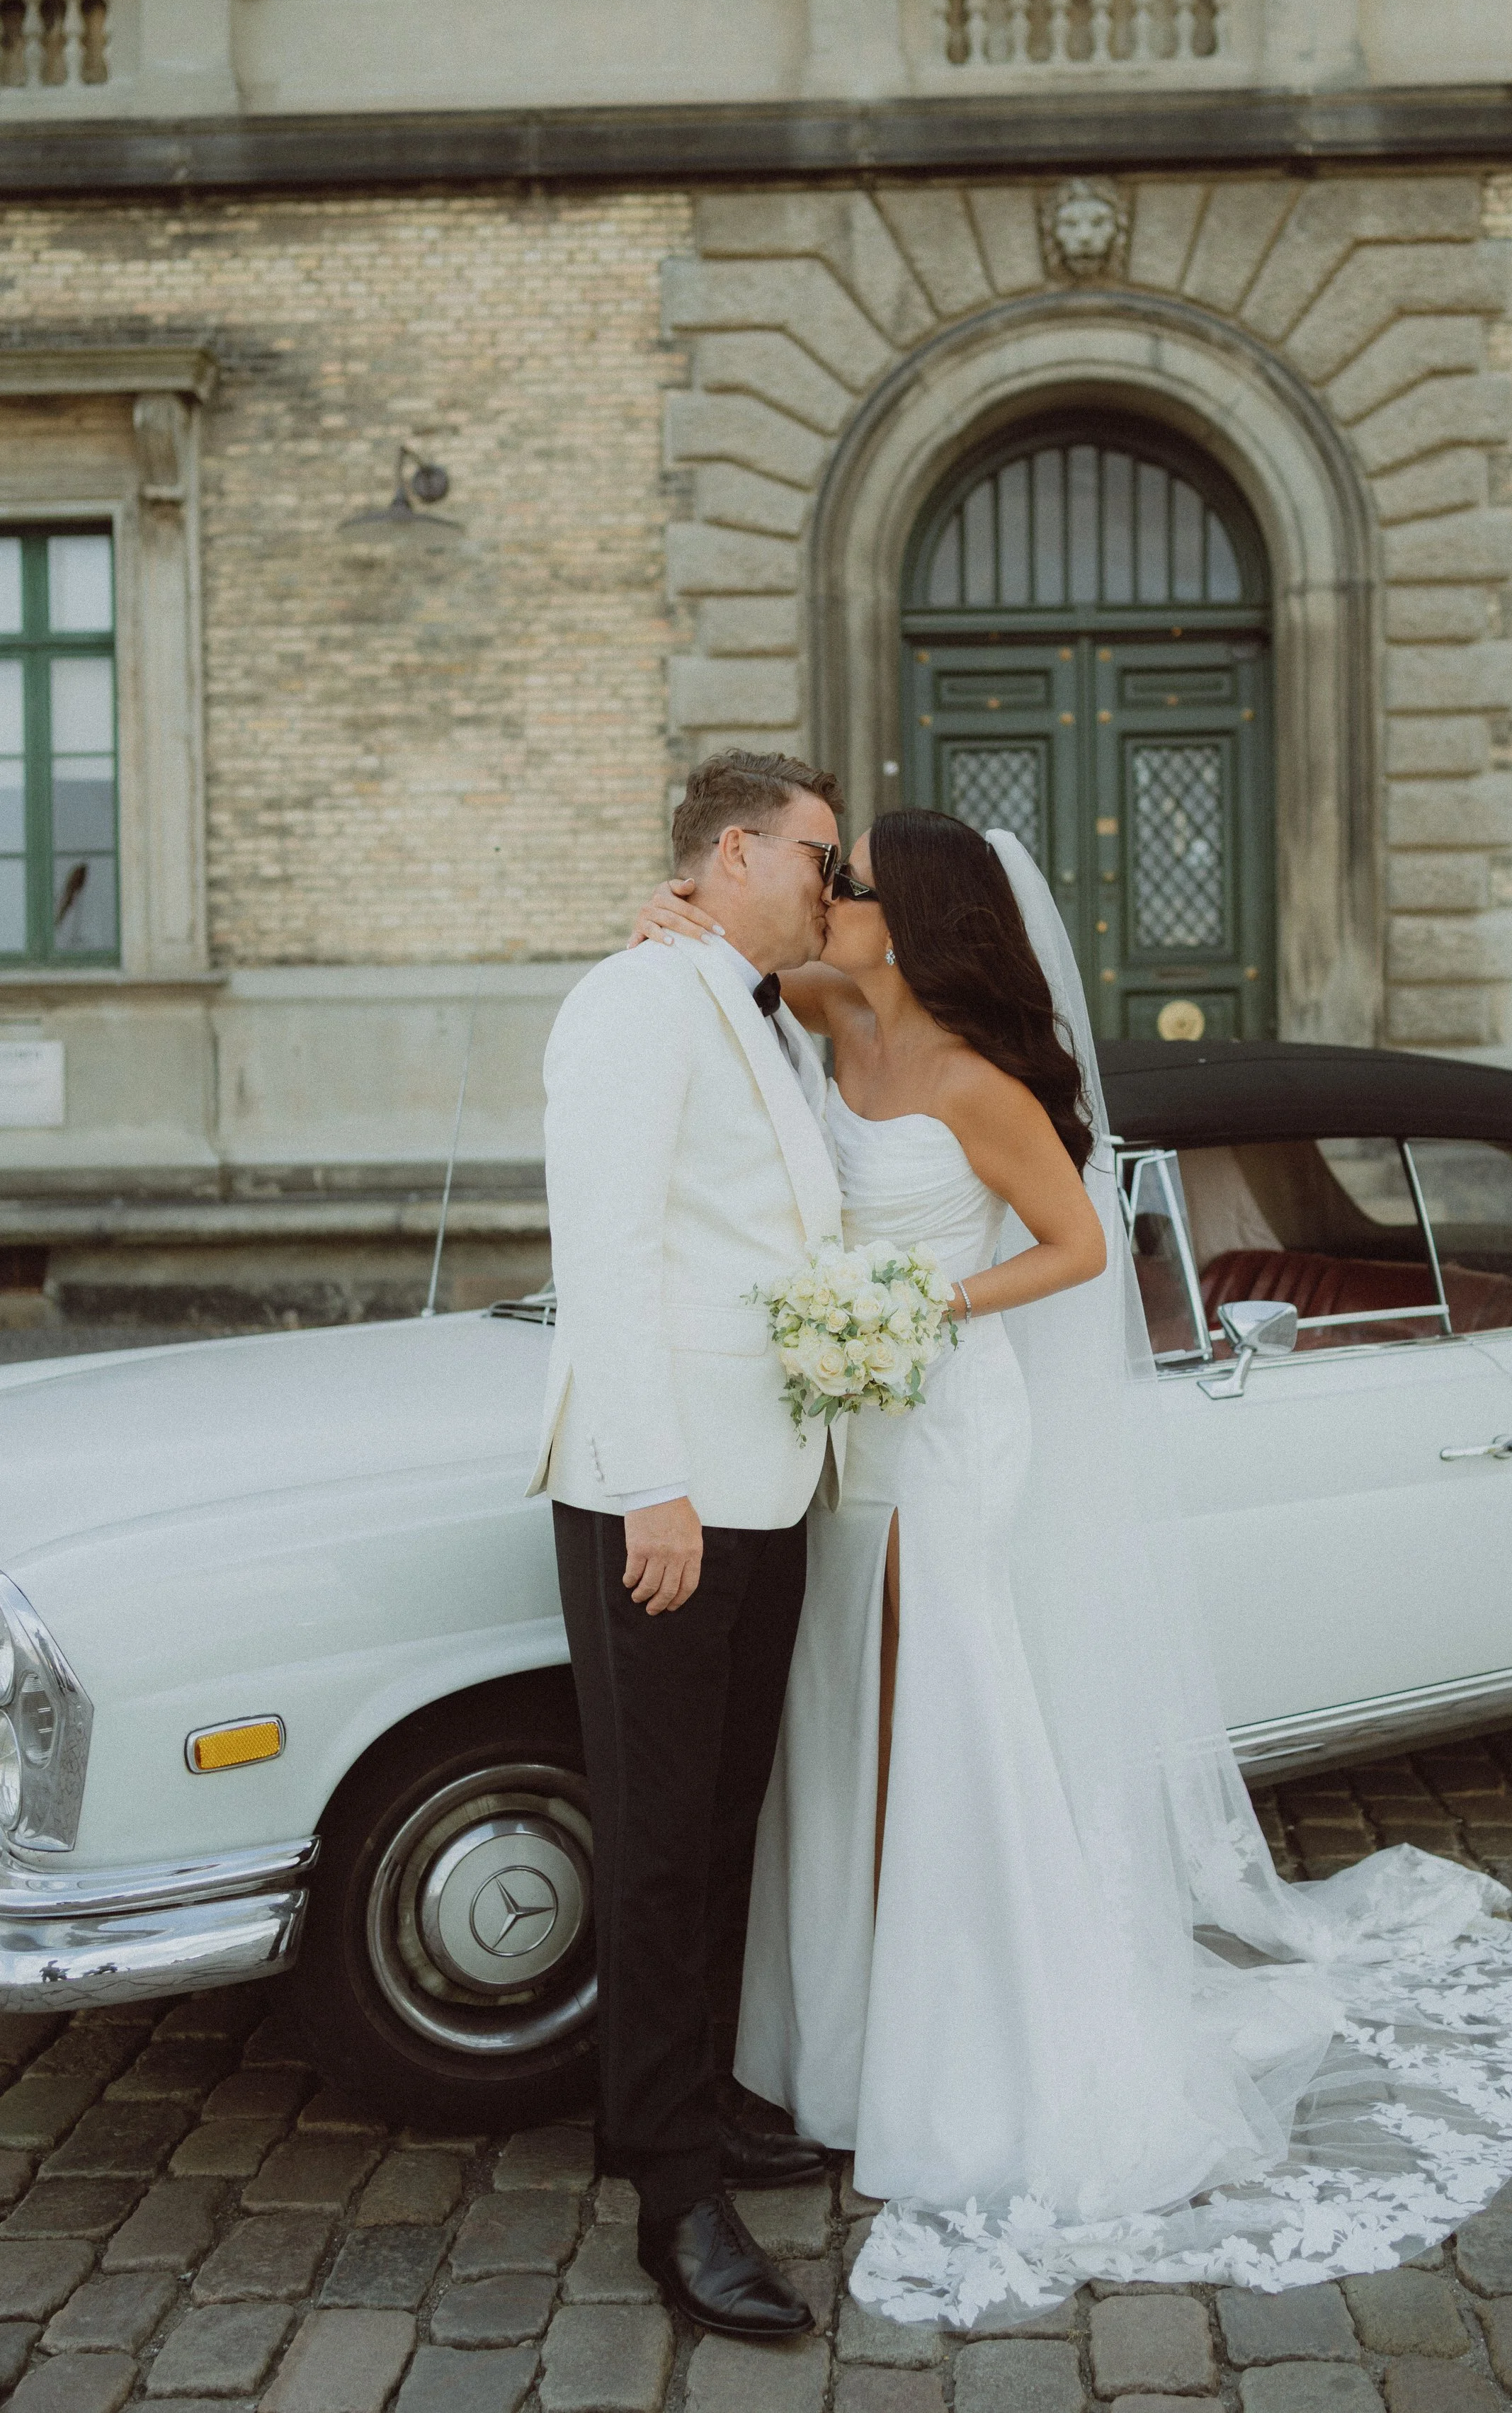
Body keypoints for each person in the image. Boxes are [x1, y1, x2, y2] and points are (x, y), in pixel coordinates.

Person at [628, 808, 1512, 2330]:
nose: (825, 895)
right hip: (842, 1433)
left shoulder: (976, 1082)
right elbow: (720, 971)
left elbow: (1075, 1247)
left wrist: (921, 1304)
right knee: (835, 1731)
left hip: (940, 1422)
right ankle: (826, 2044)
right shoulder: (820, 1006)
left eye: (850, 882)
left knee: (931, 1711)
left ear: (916, 920)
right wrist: (672, 913)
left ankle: (957, 2045)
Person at [530, 748, 856, 2342]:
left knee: (723, 1825)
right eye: (817, 857)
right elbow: (605, 1248)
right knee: (656, 1847)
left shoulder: (750, 1006)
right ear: (733, 853)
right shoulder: (636, 1003)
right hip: (660, 1500)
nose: (832, 886)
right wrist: (651, 1477)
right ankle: (671, 2198)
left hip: (769, 1480)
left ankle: (699, 2098)